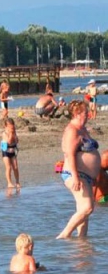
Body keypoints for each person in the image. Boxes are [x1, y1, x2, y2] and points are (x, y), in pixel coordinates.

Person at [57, 100, 100, 239]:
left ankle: (82, 246)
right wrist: (75, 177)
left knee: (84, 214)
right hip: (74, 174)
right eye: (86, 113)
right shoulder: (72, 130)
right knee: (88, 208)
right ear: (77, 113)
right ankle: (64, 235)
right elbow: (70, 154)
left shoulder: (83, 129)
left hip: (85, 176)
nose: (88, 115)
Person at [1, 118, 20, 191]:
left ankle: (17, 181)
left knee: (15, 167)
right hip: (6, 152)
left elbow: (17, 141)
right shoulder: (4, 133)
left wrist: (14, 134)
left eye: (13, 127)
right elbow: (8, 141)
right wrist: (11, 134)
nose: (12, 129)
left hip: (13, 151)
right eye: (10, 127)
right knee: (8, 167)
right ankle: (9, 182)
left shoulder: (14, 132)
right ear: (6, 127)